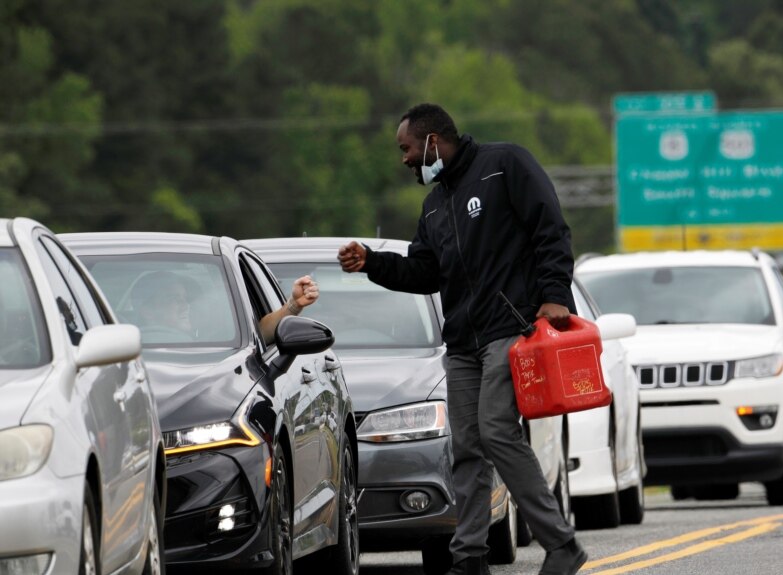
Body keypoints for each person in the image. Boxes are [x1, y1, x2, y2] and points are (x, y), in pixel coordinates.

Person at [338, 103, 585, 575]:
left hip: (512, 330)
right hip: (463, 344)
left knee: (495, 431)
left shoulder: (504, 165)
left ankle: (561, 543)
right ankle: (470, 556)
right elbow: (425, 272)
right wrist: (371, 262)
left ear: (433, 141)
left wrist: (555, 295)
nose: (405, 159)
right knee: (467, 446)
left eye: (407, 148)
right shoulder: (434, 204)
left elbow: (550, 229)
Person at [130, 270, 319, 344]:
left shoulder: (218, 343)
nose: (185, 305)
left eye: (185, 299)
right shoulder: (125, 354)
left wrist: (293, 306)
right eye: (173, 299)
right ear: (147, 311)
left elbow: (257, 339)